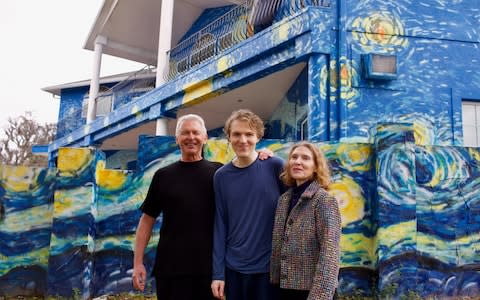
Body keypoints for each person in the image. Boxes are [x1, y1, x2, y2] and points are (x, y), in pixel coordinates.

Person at [132, 113, 273, 300]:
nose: (191, 137)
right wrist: (138, 263)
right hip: (171, 270)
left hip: (212, 271)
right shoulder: (163, 176)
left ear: (205, 137)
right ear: (177, 139)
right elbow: (147, 220)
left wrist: (266, 156)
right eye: (185, 133)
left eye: (196, 133)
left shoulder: (221, 173)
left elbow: (250, 173)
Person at [211, 109, 285, 300]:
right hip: (233, 269)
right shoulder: (221, 176)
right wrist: (218, 274)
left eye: (249, 134)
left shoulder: (275, 166)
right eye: (236, 134)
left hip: (269, 269)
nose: (243, 140)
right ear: (228, 137)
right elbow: (220, 225)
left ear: (259, 137)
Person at [270, 142, 341, 300]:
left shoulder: (324, 201)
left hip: (312, 292)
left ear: (316, 167)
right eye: (294, 157)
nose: (298, 161)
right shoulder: (284, 200)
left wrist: (319, 296)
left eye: (305, 158)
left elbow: (330, 253)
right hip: (284, 289)